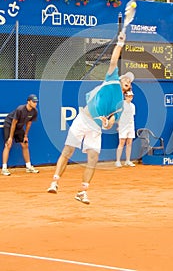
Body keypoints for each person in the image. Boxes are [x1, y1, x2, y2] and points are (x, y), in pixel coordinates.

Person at [47, 32, 134, 204]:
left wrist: (106, 123)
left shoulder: (120, 104)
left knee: (93, 158)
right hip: (82, 120)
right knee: (68, 150)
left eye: (130, 82)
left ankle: (82, 191)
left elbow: (111, 123)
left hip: (95, 129)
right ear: (120, 78)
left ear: (127, 88)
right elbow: (114, 60)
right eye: (127, 79)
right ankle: (55, 182)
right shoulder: (111, 78)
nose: (128, 81)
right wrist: (120, 44)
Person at [1, 94, 40, 176]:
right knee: (8, 144)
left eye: (36, 102)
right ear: (28, 102)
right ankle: (4, 168)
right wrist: (11, 137)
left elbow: (29, 124)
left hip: (19, 127)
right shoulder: (20, 109)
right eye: (33, 102)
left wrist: (25, 135)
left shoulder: (34, 111)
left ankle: (28, 166)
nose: (35, 103)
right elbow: (13, 123)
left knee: (25, 144)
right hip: (9, 125)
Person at [115, 89, 136, 168]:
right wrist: (118, 125)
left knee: (129, 143)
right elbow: (118, 116)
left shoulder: (133, 106)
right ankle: (118, 161)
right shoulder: (121, 105)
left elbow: (132, 116)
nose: (130, 98)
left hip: (130, 126)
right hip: (123, 126)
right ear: (125, 96)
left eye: (131, 96)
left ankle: (128, 160)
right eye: (129, 96)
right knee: (121, 143)